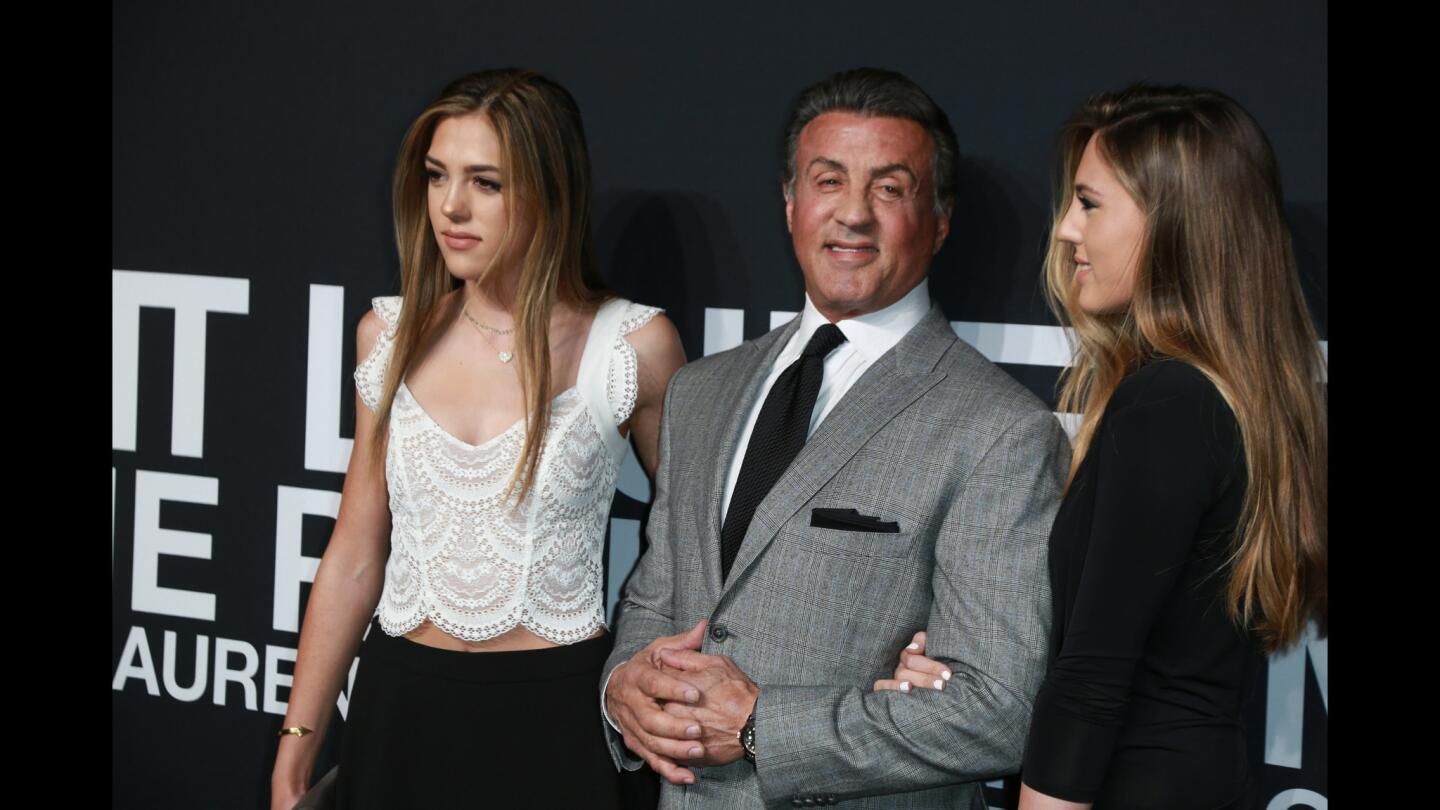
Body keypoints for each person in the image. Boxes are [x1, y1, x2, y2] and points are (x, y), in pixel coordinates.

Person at [600, 67, 1072, 810]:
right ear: (790, 203)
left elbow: (998, 710)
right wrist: (622, 684)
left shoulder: (998, 431)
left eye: (890, 188)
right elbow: (659, 603)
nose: (853, 215)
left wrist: (762, 726)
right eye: (828, 181)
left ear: (941, 219)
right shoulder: (703, 390)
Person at [881, 85, 1329, 809]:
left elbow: (1093, 679)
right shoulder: (1224, 399)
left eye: (1090, 204)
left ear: (1176, 222)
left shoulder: (1167, 403)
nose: (1064, 230)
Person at [268, 69, 686, 810]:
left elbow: (693, 545)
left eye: (486, 182)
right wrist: (297, 745)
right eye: (437, 176)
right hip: (400, 705)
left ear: (550, 190)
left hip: (556, 718)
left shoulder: (632, 346)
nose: (451, 207)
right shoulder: (388, 334)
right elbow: (356, 553)